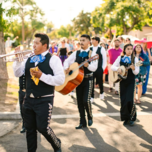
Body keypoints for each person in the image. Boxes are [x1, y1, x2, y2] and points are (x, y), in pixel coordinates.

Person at [13, 33, 65, 152]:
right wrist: (17, 60)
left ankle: (56, 144)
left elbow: (60, 79)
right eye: (33, 43)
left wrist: (42, 76)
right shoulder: (29, 58)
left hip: (44, 99)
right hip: (28, 100)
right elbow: (17, 73)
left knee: (43, 128)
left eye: (37, 43)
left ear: (44, 45)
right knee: (29, 129)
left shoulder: (53, 59)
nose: (33, 45)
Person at [64, 34, 98, 129]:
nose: (81, 42)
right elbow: (67, 61)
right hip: (78, 80)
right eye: (80, 40)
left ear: (88, 42)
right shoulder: (76, 52)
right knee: (79, 101)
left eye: (83, 40)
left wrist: (88, 66)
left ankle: (90, 116)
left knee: (86, 100)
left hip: (88, 79)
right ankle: (82, 121)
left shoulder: (93, 54)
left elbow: (94, 68)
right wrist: (66, 67)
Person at [111, 44, 139, 126]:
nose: (130, 50)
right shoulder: (120, 58)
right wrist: (118, 69)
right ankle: (125, 118)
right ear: (124, 50)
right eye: (128, 49)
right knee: (123, 99)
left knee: (129, 99)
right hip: (122, 81)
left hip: (131, 81)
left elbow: (136, 72)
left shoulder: (135, 59)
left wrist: (134, 69)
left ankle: (131, 117)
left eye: (131, 49)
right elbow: (112, 67)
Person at [90, 36, 107, 102]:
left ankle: (101, 92)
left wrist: (102, 68)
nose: (92, 41)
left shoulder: (101, 48)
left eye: (93, 40)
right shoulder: (90, 48)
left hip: (99, 68)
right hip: (91, 68)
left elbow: (104, 59)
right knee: (91, 82)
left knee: (100, 82)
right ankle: (92, 96)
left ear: (97, 41)